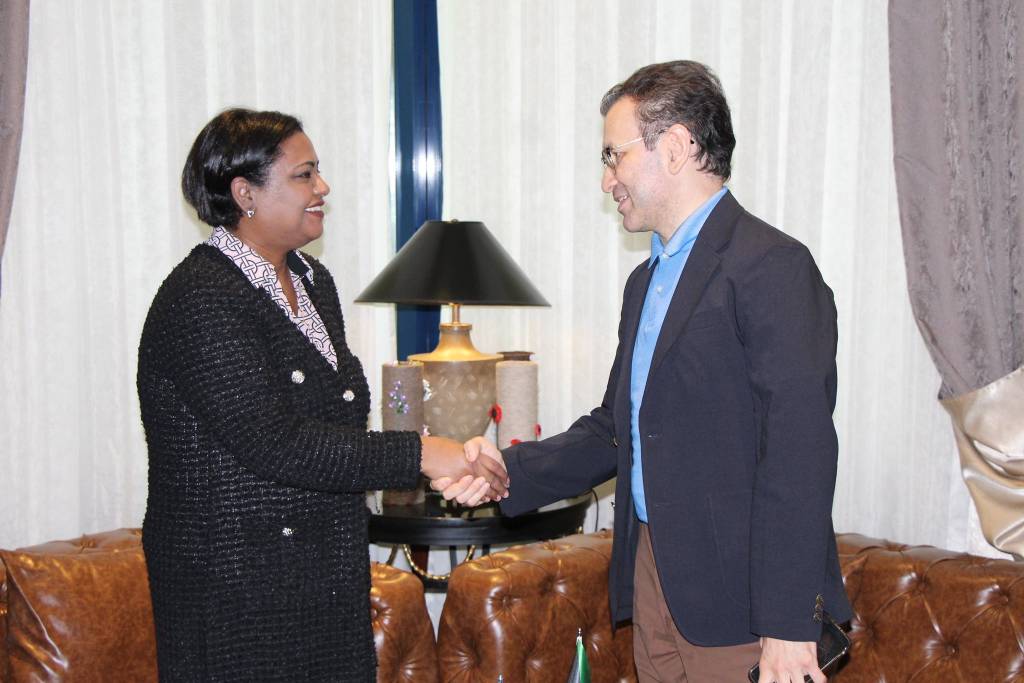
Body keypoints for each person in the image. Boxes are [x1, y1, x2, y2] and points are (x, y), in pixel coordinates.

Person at [437, 61, 852, 682]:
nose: (607, 179)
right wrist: (505, 471)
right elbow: (616, 429)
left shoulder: (772, 267)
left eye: (614, 156)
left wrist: (789, 623)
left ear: (677, 147)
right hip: (656, 581)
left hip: (744, 604)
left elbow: (800, 453)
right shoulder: (646, 281)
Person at [137, 108, 507, 681]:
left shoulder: (313, 282)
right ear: (245, 193)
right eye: (304, 175)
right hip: (235, 590)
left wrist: (436, 451)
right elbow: (275, 442)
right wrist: (421, 454)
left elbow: (336, 418)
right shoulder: (200, 298)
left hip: (323, 576)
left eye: (318, 172)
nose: (323, 187)